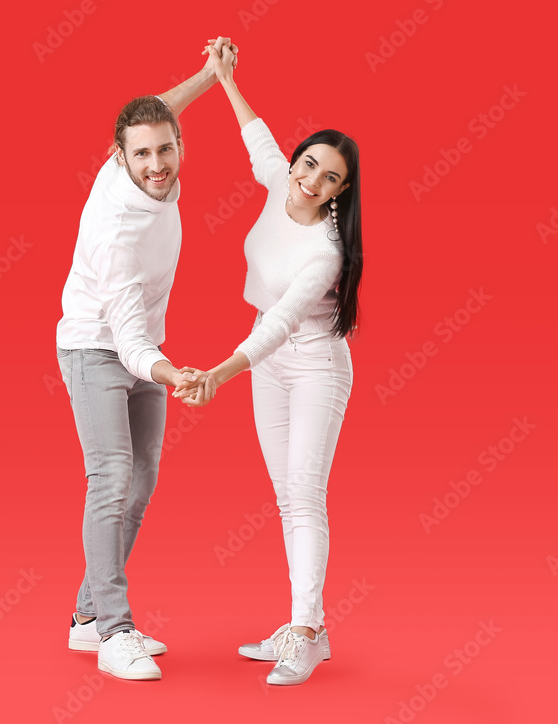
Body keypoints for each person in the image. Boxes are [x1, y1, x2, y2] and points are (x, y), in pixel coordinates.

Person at [175, 40, 363, 686]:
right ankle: (302, 624)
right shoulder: (280, 179)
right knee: (285, 497)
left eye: (328, 178)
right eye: (308, 164)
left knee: (305, 495)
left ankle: (306, 633)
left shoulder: (327, 252)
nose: (309, 181)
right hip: (265, 358)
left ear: (341, 193)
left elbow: (284, 323)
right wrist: (223, 78)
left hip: (313, 364)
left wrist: (215, 375)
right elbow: (257, 139)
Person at [55, 38, 237, 682]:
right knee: (110, 479)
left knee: (145, 478)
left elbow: (160, 105)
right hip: (98, 348)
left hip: (141, 348)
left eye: (166, 149)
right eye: (142, 155)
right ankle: (113, 629)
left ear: (179, 146)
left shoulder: (143, 144)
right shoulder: (118, 233)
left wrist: (212, 76)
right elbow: (129, 342)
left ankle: (85, 618)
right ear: (119, 158)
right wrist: (173, 372)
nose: (156, 164)